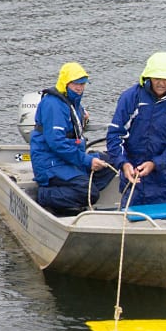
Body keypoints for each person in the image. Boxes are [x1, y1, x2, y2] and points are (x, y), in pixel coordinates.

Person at [106, 52, 166, 206]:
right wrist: (123, 164)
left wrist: (155, 163)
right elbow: (114, 136)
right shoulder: (131, 97)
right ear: (148, 77)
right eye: (157, 78)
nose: (161, 83)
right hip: (134, 179)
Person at [30, 62, 115, 216]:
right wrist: (88, 161)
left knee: (112, 161)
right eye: (76, 83)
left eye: (82, 84)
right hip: (51, 164)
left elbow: (73, 126)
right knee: (90, 194)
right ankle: (45, 195)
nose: (80, 87)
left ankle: (75, 192)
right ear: (65, 83)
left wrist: (83, 120)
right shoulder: (53, 105)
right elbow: (57, 143)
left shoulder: (73, 103)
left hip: (70, 160)